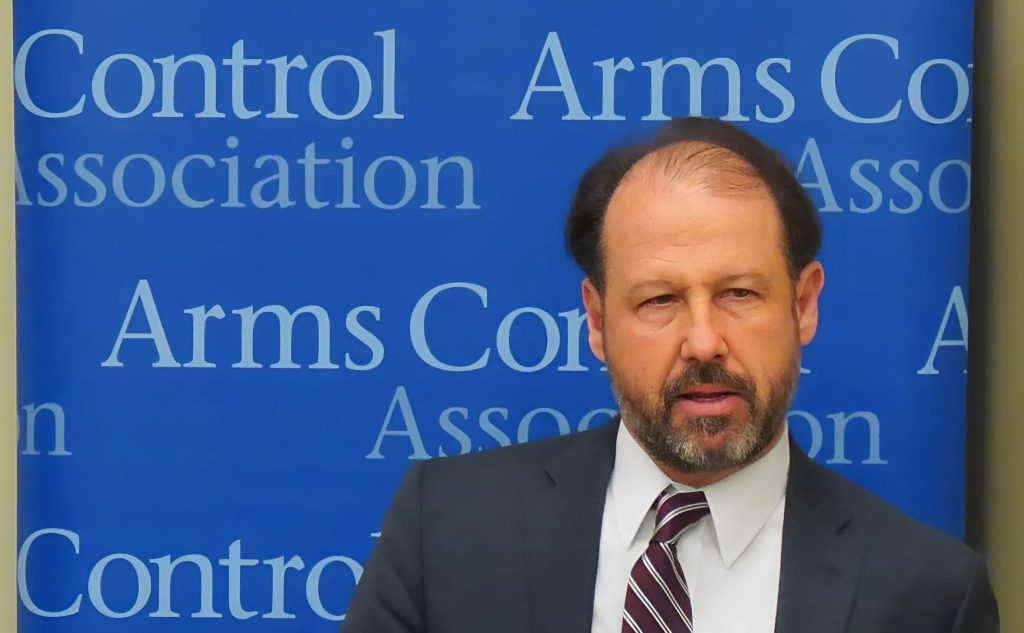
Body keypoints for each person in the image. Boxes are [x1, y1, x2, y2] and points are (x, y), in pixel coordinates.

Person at [341, 117, 999, 632]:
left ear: (803, 305)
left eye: (739, 293)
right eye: (660, 300)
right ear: (597, 320)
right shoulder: (447, 530)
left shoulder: (929, 595)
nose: (704, 341)